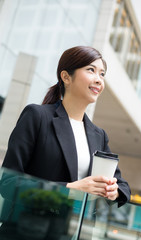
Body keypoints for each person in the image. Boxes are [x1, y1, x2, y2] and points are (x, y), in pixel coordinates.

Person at [1, 46, 130, 207]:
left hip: (72, 230)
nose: (99, 79)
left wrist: (113, 191)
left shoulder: (98, 135)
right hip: (26, 227)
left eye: (102, 74)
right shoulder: (37, 116)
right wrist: (68, 188)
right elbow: (8, 183)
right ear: (66, 77)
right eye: (91, 70)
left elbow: (123, 187)